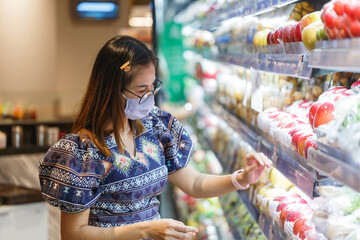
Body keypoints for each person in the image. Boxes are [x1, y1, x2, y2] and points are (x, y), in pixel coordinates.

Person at [39, 35, 272, 240]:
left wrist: (240, 179)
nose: (150, 97)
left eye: (152, 87)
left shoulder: (155, 127)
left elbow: (193, 183)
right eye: (141, 91)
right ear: (111, 90)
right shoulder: (82, 152)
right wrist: (144, 231)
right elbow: (72, 234)